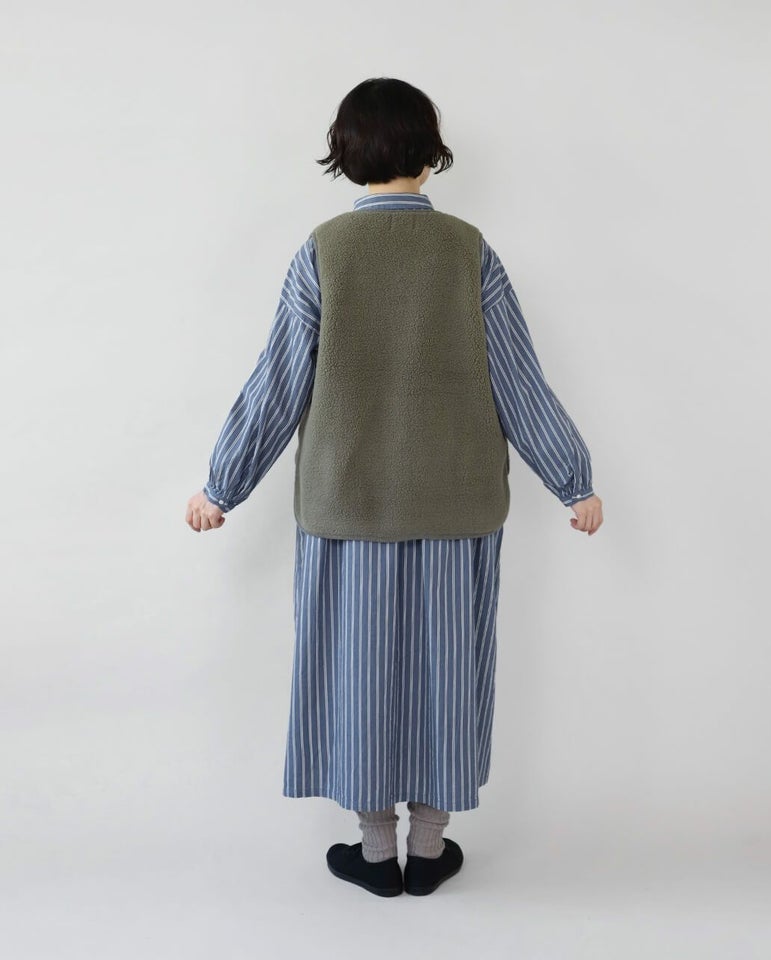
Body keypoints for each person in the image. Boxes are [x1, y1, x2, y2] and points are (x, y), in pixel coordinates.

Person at [185, 77, 603, 899]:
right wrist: (572, 481)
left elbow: (277, 384)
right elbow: (520, 381)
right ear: (429, 152)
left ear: (345, 155)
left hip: (346, 509)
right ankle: (432, 849)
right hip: (457, 508)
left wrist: (221, 486)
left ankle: (376, 855)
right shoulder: (469, 251)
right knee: (450, 674)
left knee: (357, 675)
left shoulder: (323, 252)